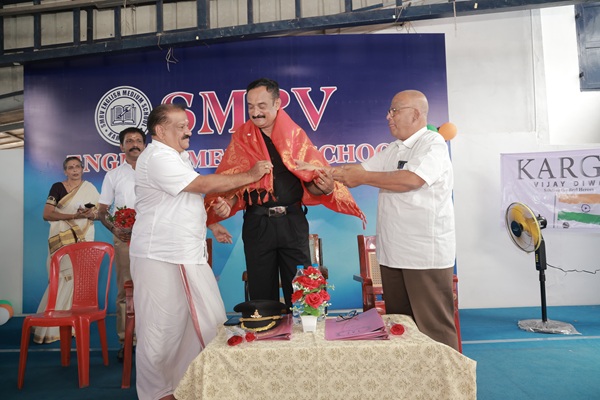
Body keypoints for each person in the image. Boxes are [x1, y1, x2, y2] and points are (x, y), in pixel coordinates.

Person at [129, 103, 273, 400]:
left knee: (197, 325)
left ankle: (186, 386)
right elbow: (202, 184)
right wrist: (250, 175)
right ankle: (157, 393)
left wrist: (214, 218)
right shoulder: (157, 157)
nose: (188, 131)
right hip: (161, 256)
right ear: (160, 130)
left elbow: (185, 200)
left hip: (185, 254)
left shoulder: (178, 157)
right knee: (161, 330)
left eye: (187, 125)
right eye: (180, 126)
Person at [204, 78, 365, 311]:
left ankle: (305, 334)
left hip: (292, 222)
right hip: (258, 224)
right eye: (250, 106)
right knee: (261, 295)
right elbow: (236, 184)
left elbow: (312, 184)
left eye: (262, 106)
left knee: (303, 291)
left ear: (277, 104)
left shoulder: (295, 136)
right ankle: (266, 333)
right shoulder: (242, 138)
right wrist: (227, 204)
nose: (255, 112)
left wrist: (325, 186)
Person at [330, 90, 459, 351]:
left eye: (394, 111)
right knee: (400, 326)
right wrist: (320, 172)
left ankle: (446, 376)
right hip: (393, 254)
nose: (388, 117)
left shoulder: (432, 144)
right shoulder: (394, 149)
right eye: (389, 111)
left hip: (423, 255)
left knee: (433, 327)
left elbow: (412, 179)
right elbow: (359, 170)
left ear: (416, 114)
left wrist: (362, 178)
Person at [33, 156, 99, 344]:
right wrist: (72, 216)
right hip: (62, 239)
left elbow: (98, 214)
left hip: (84, 237)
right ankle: (53, 325)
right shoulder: (58, 187)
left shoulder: (90, 189)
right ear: (65, 171)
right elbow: (47, 214)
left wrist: (90, 214)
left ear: (83, 169)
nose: (75, 170)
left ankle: (73, 325)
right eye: (70, 167)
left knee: (79, 279)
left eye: (77, 166)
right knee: (63, 277)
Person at [97, 127, 146, 362]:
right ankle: (127, 341)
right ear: (121, 146)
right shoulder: (113, 175)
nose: (134, 144)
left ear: (145, 145)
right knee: (126, 290)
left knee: (155, 289)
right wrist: (115, 229)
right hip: (124, 238)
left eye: (138, 140)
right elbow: (102, 211)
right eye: (129, 141)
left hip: (154, 237)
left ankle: (152, 341)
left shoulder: (155, 171)